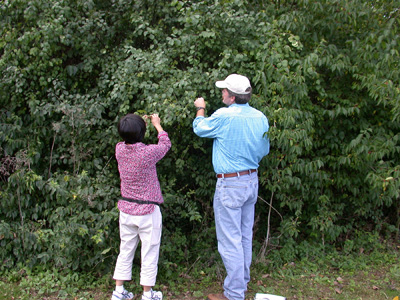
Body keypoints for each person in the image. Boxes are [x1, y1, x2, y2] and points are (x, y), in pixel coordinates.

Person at [192, 74, 270, 300]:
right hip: (251, 181)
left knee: (230, 241)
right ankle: (240, 285)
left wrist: (200, 108)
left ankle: (234, 294)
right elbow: (263, 151)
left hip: (230, 184)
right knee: (244, 237)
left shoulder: (224, 115)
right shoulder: (260, 117)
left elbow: (200, 128)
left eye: (224, 90)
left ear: (233, 96)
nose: (222, 93)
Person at [111, 113, 171, 300]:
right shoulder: (147, 153)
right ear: (143, 132)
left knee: (126, 250)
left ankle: (119, 292)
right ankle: (147, 294)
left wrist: (140, 125)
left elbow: (131, 137)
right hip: (148, 211)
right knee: (149, 252)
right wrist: (157, 125)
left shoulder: (119, 149)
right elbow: (165, 144)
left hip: (127, 210)